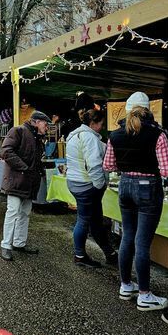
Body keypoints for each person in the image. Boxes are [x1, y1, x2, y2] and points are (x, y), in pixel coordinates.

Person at [103, 92, 168, 312]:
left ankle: (125, 285)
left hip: (125, 186)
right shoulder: (157, 134)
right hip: (148, 188)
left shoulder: (116, 134)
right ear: (148, 109)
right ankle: (144, 295)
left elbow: (109, 166)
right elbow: (167, 170)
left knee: (127, 237)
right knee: (142, 243)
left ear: (128, 109)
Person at [66, 109, 117, 268]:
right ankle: (79, 255)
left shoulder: (75, 135)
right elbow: (94, 165)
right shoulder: (89, 137)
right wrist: (100, 184)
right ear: (93, 123)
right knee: (84, 220)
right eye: (101, 124)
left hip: (75, 182)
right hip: (86, 185)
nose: (102, 127)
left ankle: (110, 253)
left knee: (94, 220)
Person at [0, 111, 51, 261]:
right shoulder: (18, 131)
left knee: (24, 213)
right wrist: (25, 168)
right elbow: (6, 151)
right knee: (13, 212)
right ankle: (6, 245)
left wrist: (38, 170)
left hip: (27, 182)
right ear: (36, 122)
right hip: (18, 181)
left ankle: (19, 243)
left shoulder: (36, 137)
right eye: (45, 124)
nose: (47, 127)